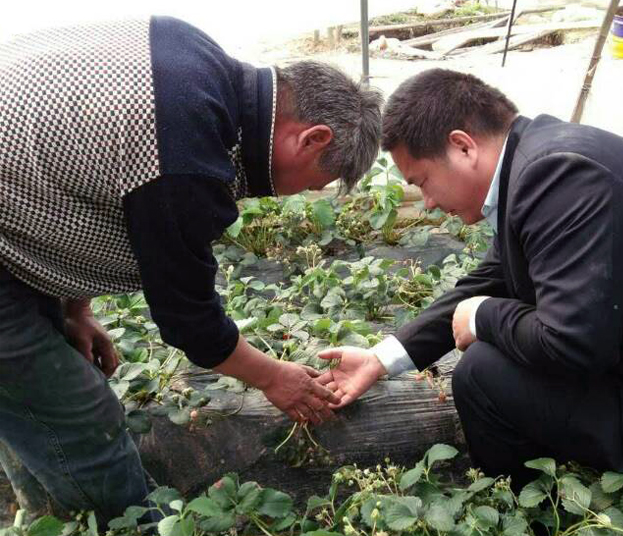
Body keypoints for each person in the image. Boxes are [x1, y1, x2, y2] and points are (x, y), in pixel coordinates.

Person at [0, 16, 382, 525]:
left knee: (30, 394)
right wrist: (273, 377)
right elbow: (187, 317)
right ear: (311, 139)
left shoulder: (191, 57)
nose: (305, 194)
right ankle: (124, 524)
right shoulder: (184, 148)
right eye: (318, 182)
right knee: (82, 417)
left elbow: (81, 176)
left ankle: (44, 511)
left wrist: (75, 308)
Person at [318, 68, 623, 498]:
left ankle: (527, 510)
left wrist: (484, 316)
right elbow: (495, 277)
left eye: (422, 181)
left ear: (463, 146)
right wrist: (380, 359)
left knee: (483, 375)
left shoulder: (560, 175)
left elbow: (573, 344)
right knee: (488, 364)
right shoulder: (538, 160)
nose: (426, 203)